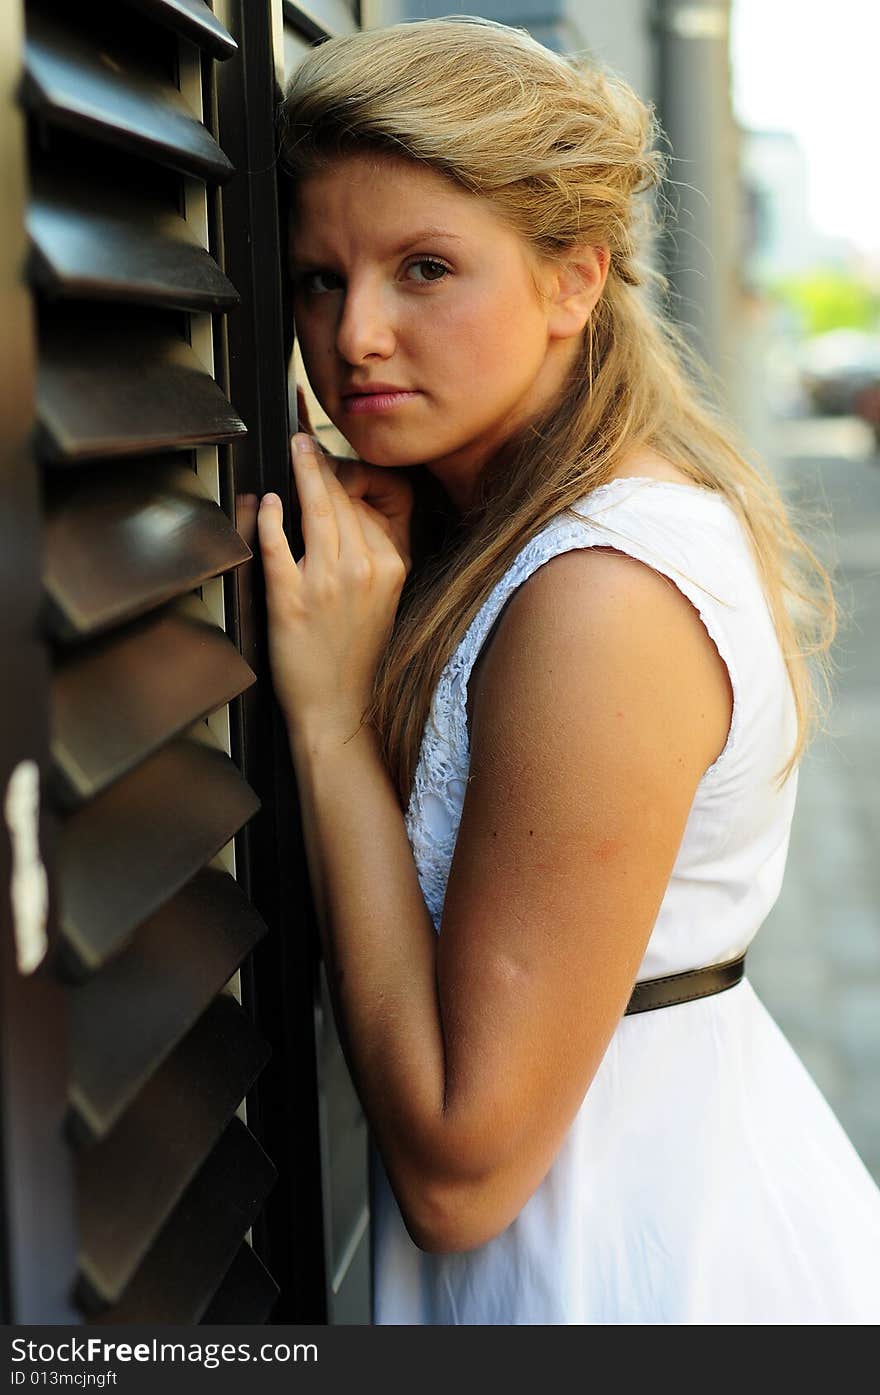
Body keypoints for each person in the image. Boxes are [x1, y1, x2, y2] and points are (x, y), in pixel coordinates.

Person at [257, 16, 880, 1324]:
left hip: (635, 1268)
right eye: (317, 277)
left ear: (573, 282)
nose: (355, 332)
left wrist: (325, 721)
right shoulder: (507, 539)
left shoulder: (600, 594)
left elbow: (460, 1170)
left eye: (425, 268)